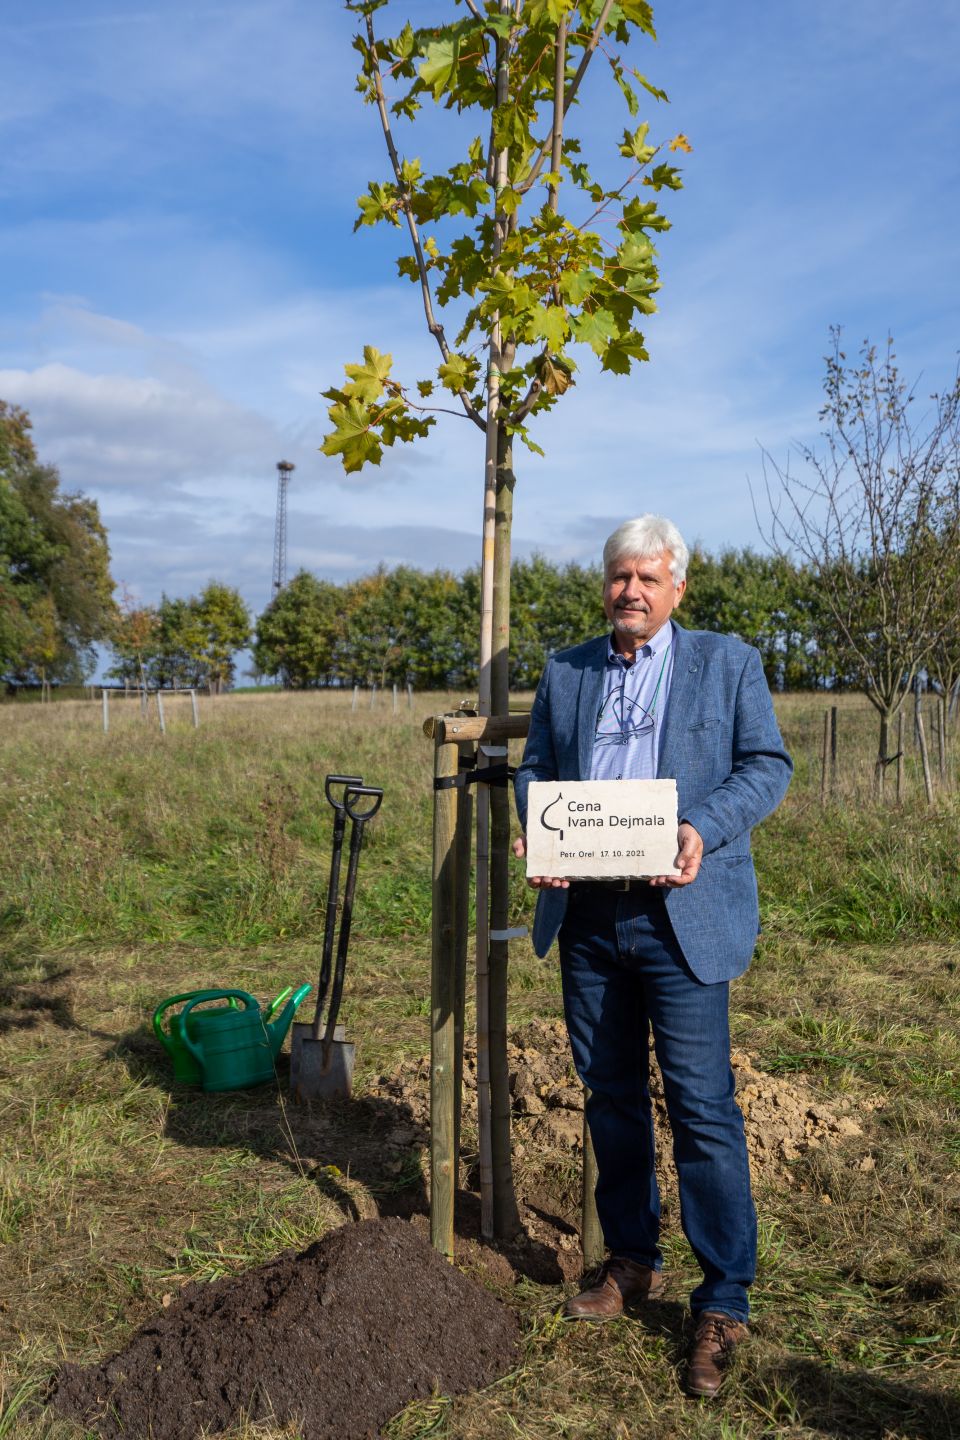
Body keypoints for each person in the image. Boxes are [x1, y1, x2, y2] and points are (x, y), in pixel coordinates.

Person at [513, 514, 792, 1399]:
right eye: (617, 577)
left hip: (681, 912)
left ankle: (724, 1297)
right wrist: (539, 824)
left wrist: (701, 828)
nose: (630, 591)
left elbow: (766, 765)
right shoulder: (568, 670)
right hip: (590, 914)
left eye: (646, 577)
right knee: (610, 1096)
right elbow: (536, 768)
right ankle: (632, 1258)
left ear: (677, 587)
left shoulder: (727, 662)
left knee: (704, 1106)